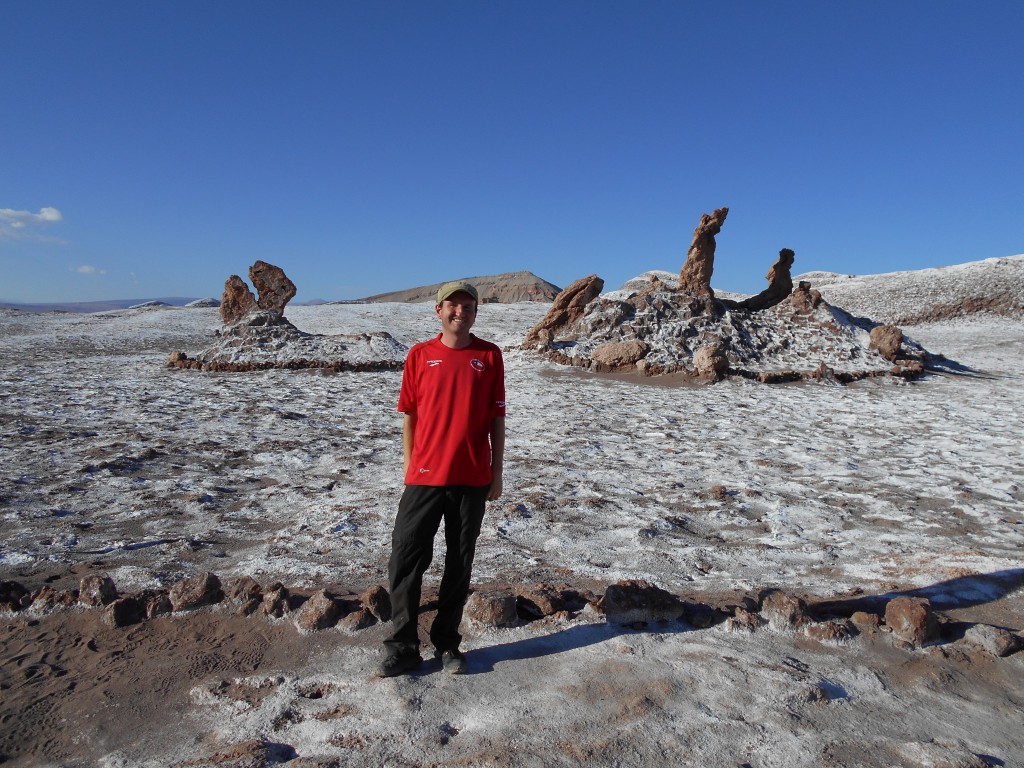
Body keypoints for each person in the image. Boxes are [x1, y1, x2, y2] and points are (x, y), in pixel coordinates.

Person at [378, 280, 506, 677]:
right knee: (406, 557)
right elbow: (410, 414)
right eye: (452, 305)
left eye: (468, 306)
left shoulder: (489, 355)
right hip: (425, 476)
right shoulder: (419, 355)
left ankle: (447, 642)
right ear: (438, 311)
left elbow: (497, 418)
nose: (460, 312)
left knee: (459, 562)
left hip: (471, 475)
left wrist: (496, 472)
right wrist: (409, 463)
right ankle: (402, 645)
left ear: (475, 313)